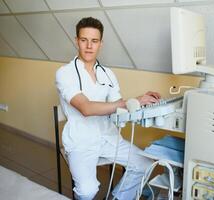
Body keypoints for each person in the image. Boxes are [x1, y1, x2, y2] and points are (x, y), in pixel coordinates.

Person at [55, 17, 160, 200]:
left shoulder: (107, 74)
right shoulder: (65, 73)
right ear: (76, 41)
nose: (89, 46)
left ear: (101, 44)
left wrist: (142, 103)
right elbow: (86, 108)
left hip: (108, 137)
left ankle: (118, 197)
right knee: (87, 191)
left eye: (94, 41)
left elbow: (119, 107)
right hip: (81, 140)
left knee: (145, 164)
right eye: (84, 40)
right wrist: (131, 100)